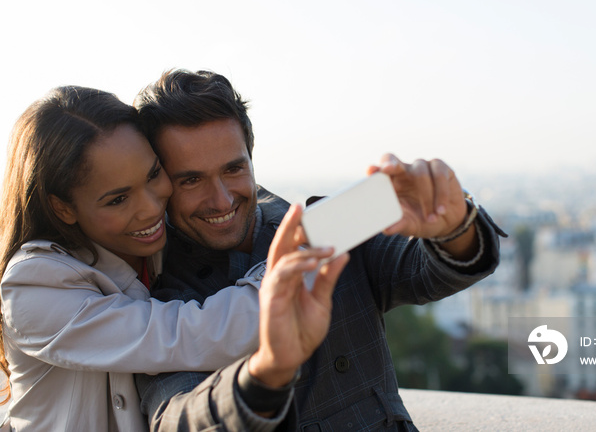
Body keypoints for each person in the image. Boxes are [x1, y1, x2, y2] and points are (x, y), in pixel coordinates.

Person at [134, 69, 508, 431]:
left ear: (251, 159)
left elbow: (426, 272)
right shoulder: (163, 300)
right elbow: (173, 419)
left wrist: (453, 223)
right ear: (160, 184)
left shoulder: (327, 225)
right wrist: (269, 369)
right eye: (192, 180)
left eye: (233, 169)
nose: (221, 199)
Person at [0, 86, 348, 431]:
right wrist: (300, 256)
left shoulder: (154, 237)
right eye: (118, 199)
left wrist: (384, 201)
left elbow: (263, 210)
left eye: (153, 175)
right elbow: (193, 334)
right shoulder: (33, 287)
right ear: (62, 207)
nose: (151, 208)